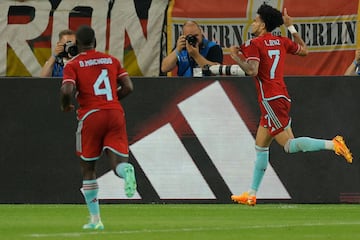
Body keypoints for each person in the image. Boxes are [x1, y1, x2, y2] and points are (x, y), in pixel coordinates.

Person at [229, 4, 353, 206]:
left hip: (270, 99)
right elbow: (304, 51)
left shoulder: (254, 43)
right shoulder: (280, 41)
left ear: (262, 24)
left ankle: (333, 144)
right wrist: (291, 28)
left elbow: (252, 70)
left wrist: (236, 57)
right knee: (260, 146)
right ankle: (251, 194)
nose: (252, 24)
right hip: (281, 97)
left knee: (289, 145)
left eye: (255, 20)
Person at [60, 25, 137, 229]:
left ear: (77, 44)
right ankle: (126, 170)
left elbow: (67, 89)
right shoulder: (111, 60)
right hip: (115, 113)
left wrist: (65, 104)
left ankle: (96, 220)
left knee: (88, 168)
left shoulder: (73, 64)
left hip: (91, 115)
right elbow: (129, 86)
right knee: (118, 163)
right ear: (95, 42)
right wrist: (109, 100)